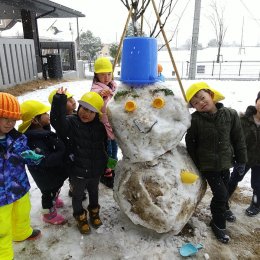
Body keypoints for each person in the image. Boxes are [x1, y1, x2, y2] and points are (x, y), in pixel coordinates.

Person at [185, 82, 247, 244]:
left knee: (224, 192)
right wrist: (196, 165)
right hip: (208, 166)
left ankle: (222, 210)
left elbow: (238, 139)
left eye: (202, 97)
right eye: (195, 102)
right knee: (221, 194)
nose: (201, 102)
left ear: (211, 95)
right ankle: (218, 224)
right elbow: (191, 144)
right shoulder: (195, 120)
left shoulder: (230, 114)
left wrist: (241, 160)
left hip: (225, 163)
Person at [50, 88, 108, 234]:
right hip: (77, 170)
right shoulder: (71, 122)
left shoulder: (99, 127)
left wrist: (105, 164)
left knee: (94, 192)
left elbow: (103, 147)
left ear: (96, 114)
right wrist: (59, 101)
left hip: (95, 170)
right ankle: (80, 216)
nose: (85, 113)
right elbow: (58, 122)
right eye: (83, 108)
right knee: (78, 195)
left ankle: (94, 212)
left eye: (91, 111)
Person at [0, 93, 42, 260]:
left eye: (13, 119)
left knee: (23, 212)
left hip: (19, 186)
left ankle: (22, 232)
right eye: (5, 118)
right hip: (1, 196)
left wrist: (31, 158)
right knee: (2, 227)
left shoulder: (18, 138)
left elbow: (23, 156)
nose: (10, 123)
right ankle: (4, 255)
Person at [18, 100, 67, 225]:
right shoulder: (33, 140)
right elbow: (44, 160)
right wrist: (61, 152)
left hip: (53, 172)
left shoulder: (43, 130)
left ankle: (54, 198)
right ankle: (48, 214)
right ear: (35, 120)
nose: (48, 114)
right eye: (44, 113)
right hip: (45, 175)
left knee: (55, 188)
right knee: (48, 194)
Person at [228, 91, 260, 216]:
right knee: (234, 178)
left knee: (258, 184)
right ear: (256, 100)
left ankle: (256, 204)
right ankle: (224, 201)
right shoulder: (243, 120)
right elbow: (233, 138)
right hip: (244, 158)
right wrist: (236, 156)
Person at [91, 57, 118, 188]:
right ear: (96, 75)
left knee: (114, 151)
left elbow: (118, 98)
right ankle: (106, 174)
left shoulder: (113, 85)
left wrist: (112, 92)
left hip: (114, 126)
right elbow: (93, 103)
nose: (106, 77)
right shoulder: (96, 89)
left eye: (109, 73)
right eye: (102, 74)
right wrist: (101, 96)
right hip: (103, 128)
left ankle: (112, 169)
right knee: (108, 153)